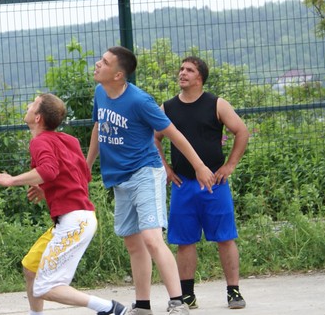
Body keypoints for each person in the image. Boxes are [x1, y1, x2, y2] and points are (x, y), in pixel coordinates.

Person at [86, 47, 216, 315]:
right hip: (119, 179)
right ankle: (143, 305)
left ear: (119, 74)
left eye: (105, 62)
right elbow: (99, 127)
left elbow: (174, 134)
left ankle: (178, 302)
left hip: (145, 172)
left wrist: (200, 166)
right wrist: (85, 167)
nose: (98, 64)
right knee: (133, 243)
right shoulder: (101, 93)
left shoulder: (139, 101)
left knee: (151, 237)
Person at [0, 94, 128, 315]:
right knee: (31, 268)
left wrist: (12, 180)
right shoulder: (68, 140)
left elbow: (48, 170)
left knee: (45, 287)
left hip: (74, 223)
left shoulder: (39, 141)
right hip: (75, 219)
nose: (28, 105)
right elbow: (79, 175)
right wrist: (44, 187)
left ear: (38, 118)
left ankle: (108, 308)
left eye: (33, 104)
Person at [157, 57, 250, 310]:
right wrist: (165, 168)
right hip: (182, 185)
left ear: (200, 77)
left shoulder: (216, 104)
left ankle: (234, 292)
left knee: (225, 238)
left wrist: (229, 166)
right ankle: (187, 295)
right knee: (184, 241)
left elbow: (241, 131)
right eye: (181, 69)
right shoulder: (167, 108)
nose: (182, 73)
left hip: (215, 185)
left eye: (189, 70)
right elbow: (154, 138)